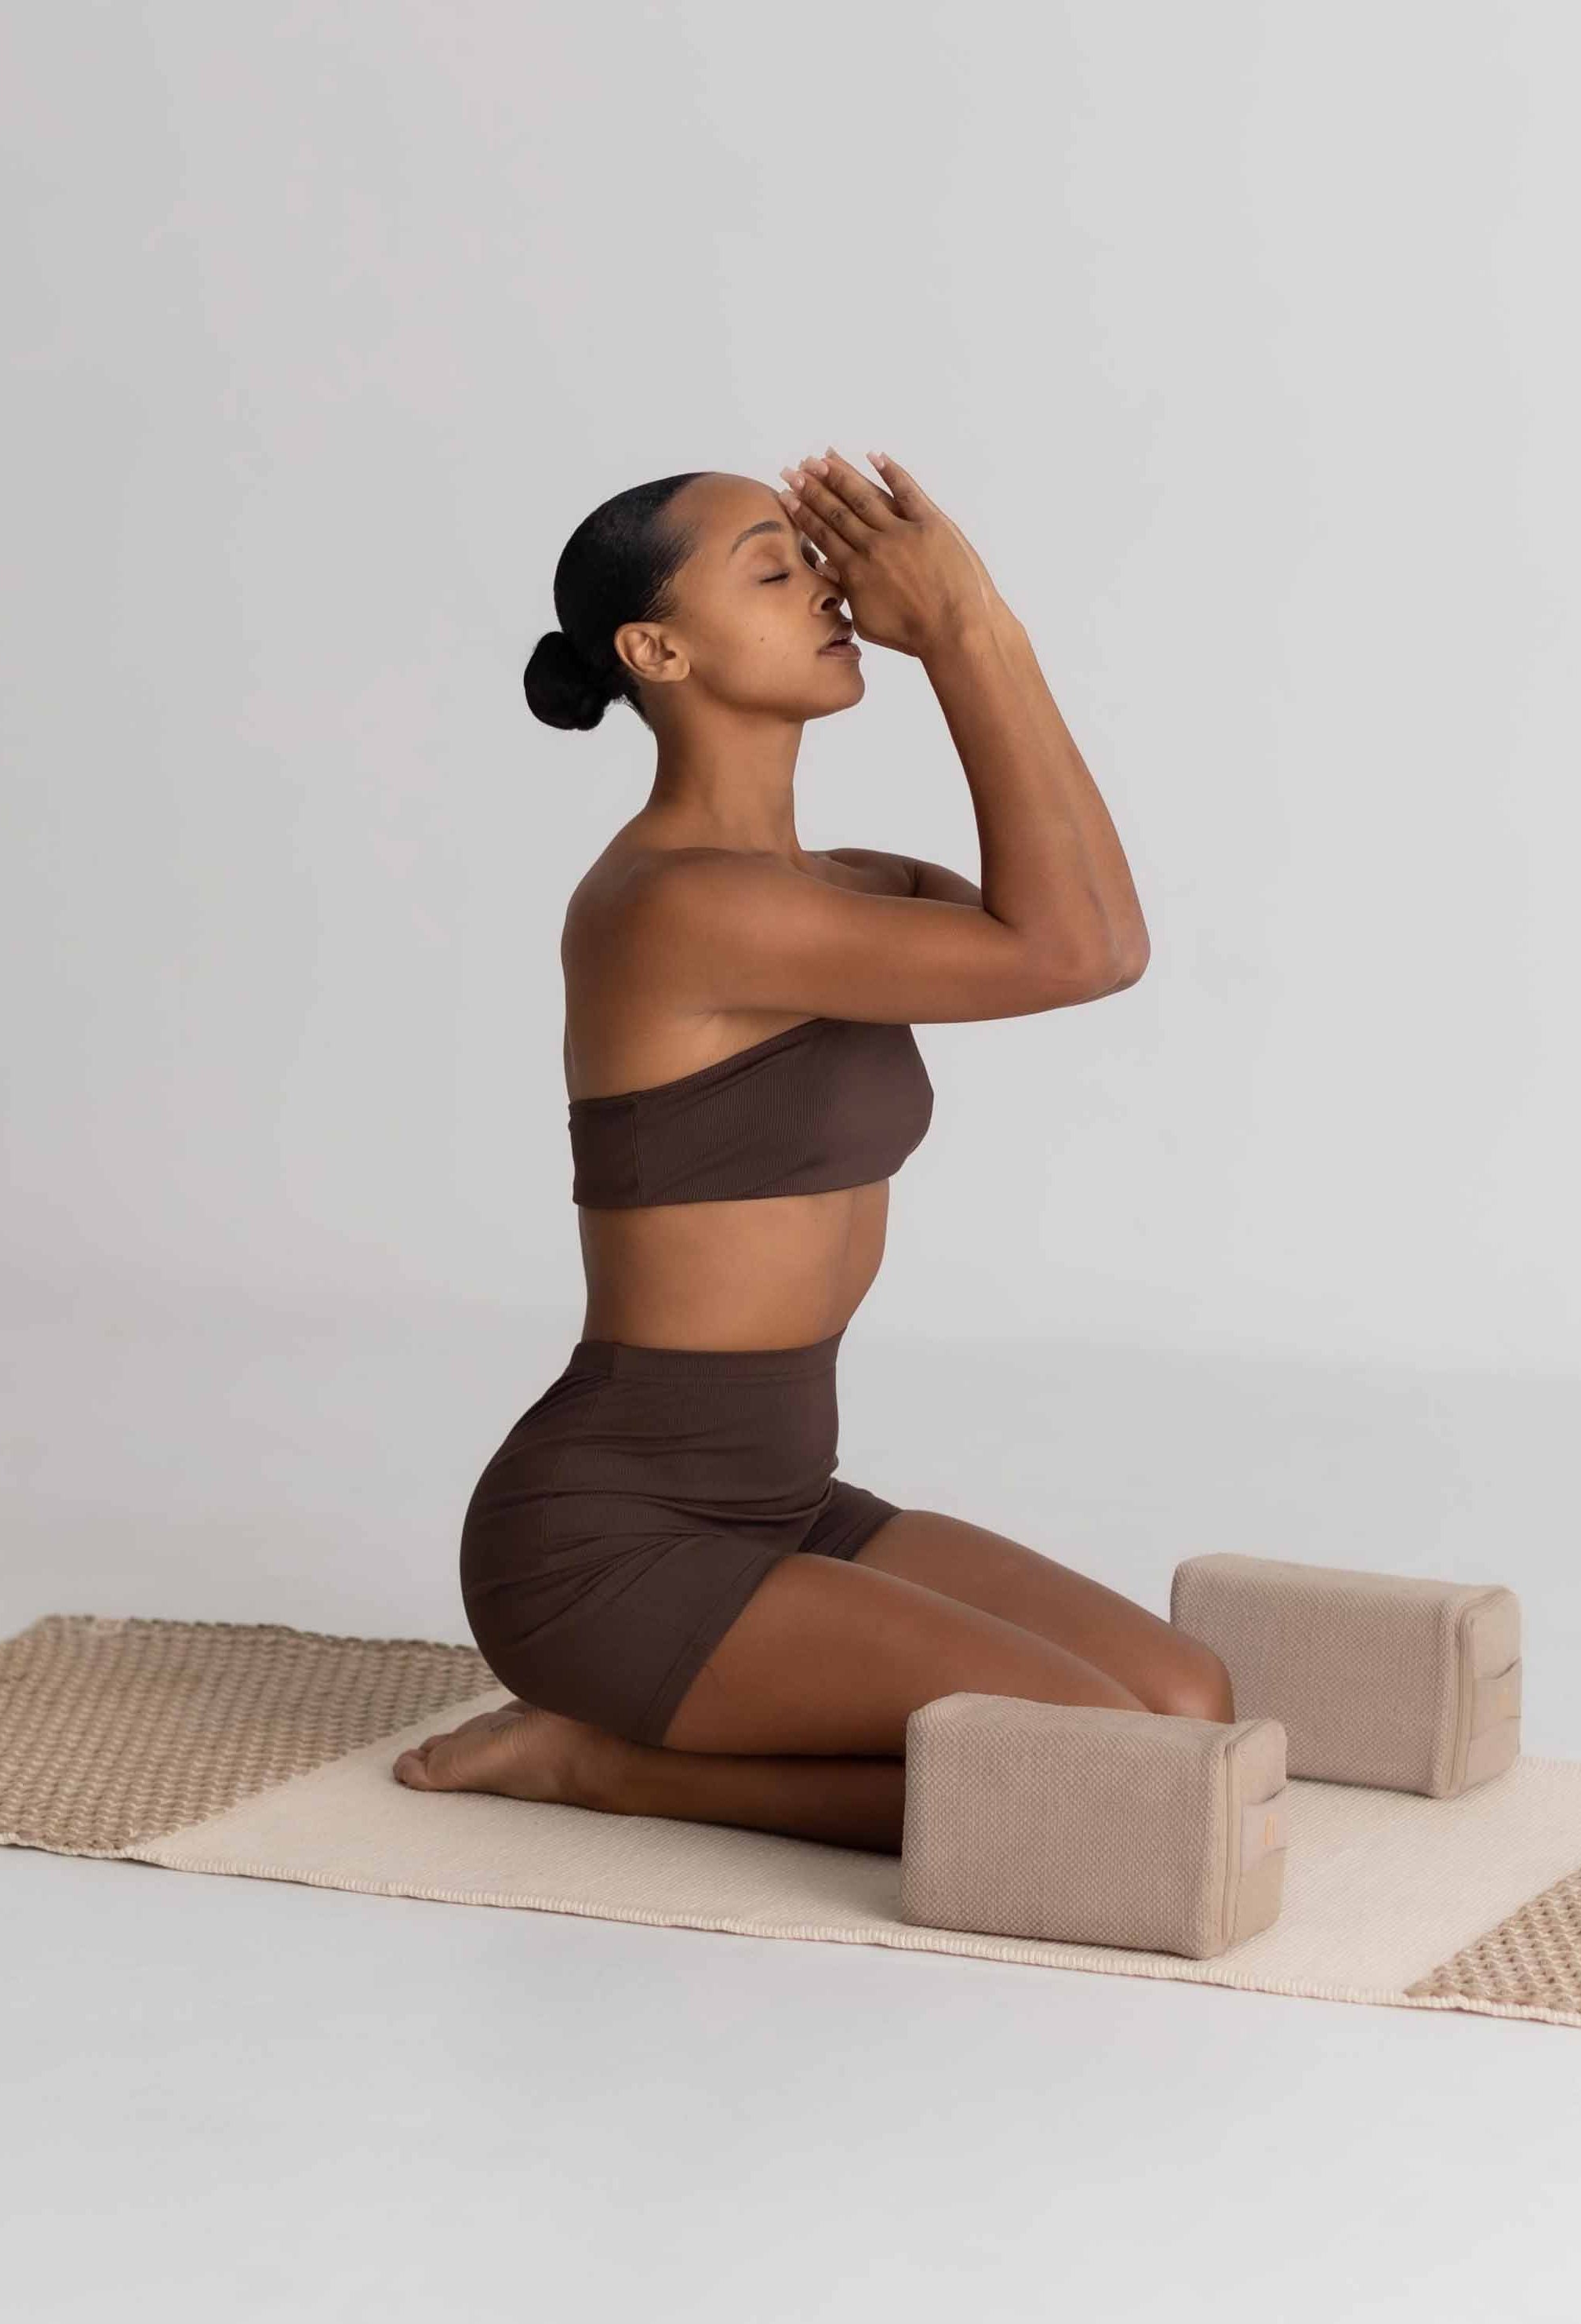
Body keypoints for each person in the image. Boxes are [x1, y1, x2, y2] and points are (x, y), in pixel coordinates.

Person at [394, 449, 1233, 1850]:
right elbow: (1070, 947)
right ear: (655, 649)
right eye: (773, 569)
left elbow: (1101, 941)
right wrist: (969, 630)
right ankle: (605, 1767)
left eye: (813, 560)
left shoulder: (841, 890)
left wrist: (981, 622)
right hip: (614, 1542)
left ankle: (623, 1749)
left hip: (780, 1503)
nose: (829, 588)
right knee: (1110, 1772)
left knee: (1185, 1711)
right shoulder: (672, 909)